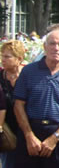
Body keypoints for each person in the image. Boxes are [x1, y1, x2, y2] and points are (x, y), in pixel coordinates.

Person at [14, 30, 59, 167]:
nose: (56, 48)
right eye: (52, 43)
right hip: (31, 132)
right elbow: (18, 105)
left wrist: (55, 138)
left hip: (57, 135)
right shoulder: (28, 71)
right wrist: (29, 136)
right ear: (44, 47)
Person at [0, 40, 25, 168]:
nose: (2, 59)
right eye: (2, 55)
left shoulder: (28, 75)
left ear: (19, 58)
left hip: (25, 128)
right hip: (6, 130)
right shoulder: (0, 76)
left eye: (7, 56)